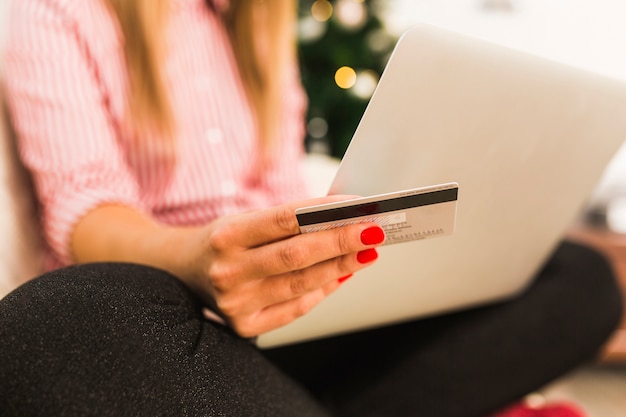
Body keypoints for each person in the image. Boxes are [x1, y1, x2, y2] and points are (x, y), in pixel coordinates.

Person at [0, 0, 622, 416]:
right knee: (68, 317)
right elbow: (86, 205)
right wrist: (197, 258)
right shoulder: (56, 10)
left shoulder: (256, 23)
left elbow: (280, 188)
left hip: (281, 322)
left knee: (583, 280)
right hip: (170, 309)